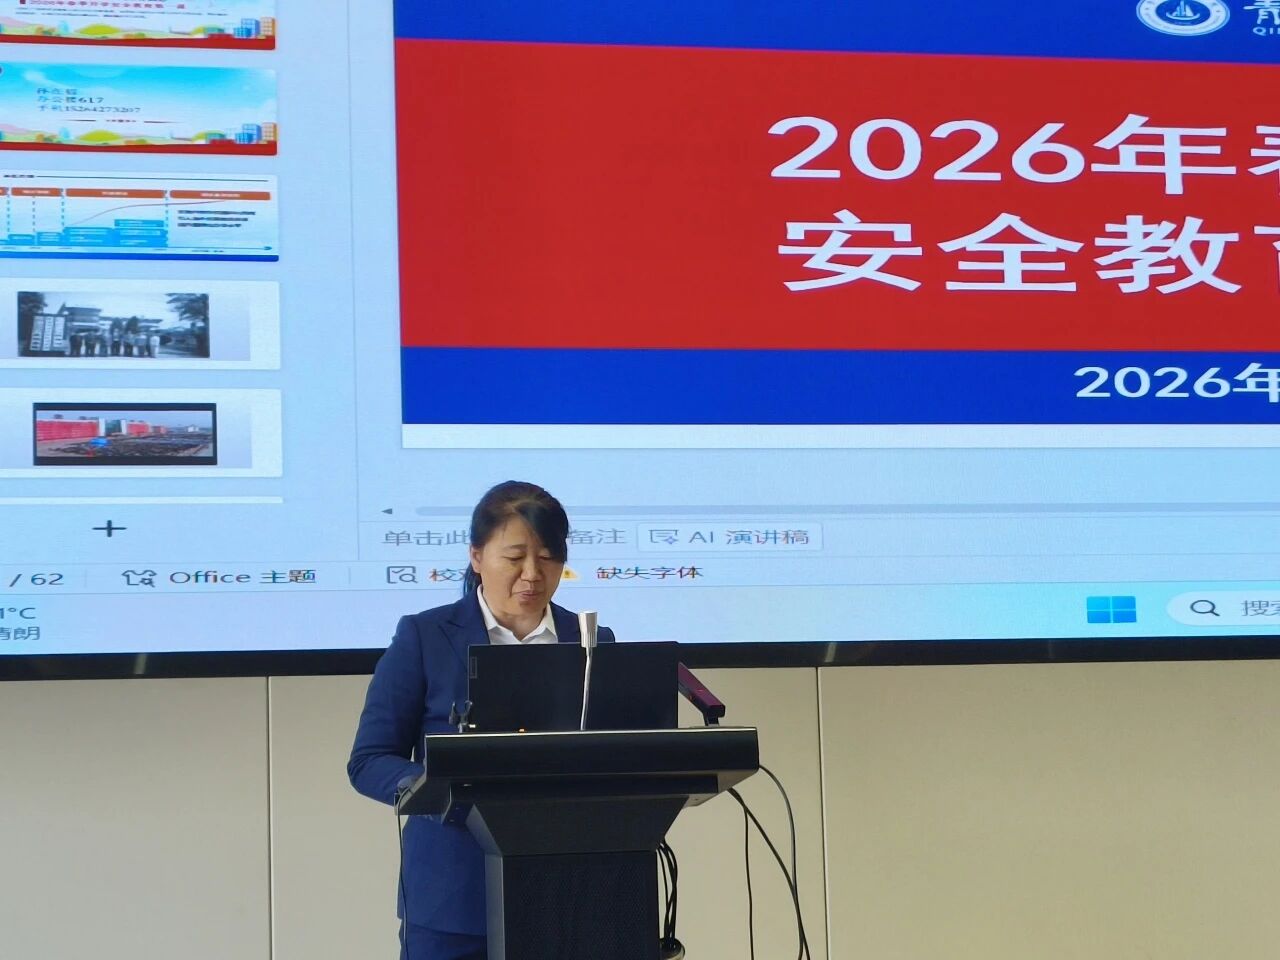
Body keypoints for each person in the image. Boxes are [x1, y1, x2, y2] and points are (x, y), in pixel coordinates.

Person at [348, 481, 614, 960]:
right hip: (452, 898)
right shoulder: (425, 636)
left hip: (568, 893)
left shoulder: (591, 641)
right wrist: (436, 788)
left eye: (548, 557)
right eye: (514, 557)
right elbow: (369, 760)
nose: (532, 574)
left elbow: (615, 752)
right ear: (476, 556)